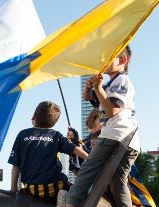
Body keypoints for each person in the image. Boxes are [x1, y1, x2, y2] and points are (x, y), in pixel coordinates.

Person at [66, 45, 141, 207]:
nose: (104, 60)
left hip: (116, 134)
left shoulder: (122, 80)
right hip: (130, 140)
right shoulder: (110, 85)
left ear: (122, 60)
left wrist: (98, 87)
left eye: (110, 57)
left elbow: (112, 110)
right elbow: (88, 97)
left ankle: (70, 203)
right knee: (117, 182)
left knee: (88, 169)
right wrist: (90, 88)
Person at [8, 101, 89, 202]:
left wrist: (13, 189)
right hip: (56, 186)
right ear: (54, 122)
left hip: (32, 189)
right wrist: (90, 158)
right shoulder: (55, 135)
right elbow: (75, 149)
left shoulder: (22, 135)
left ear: (34, 116)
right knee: (76, 190)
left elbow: (15, 165)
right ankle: (65, 198)